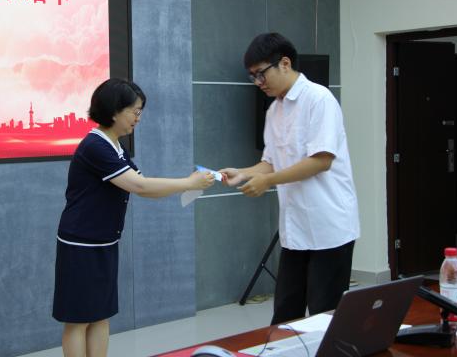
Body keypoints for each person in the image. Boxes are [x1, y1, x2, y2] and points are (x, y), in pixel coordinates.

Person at [52, 78, 215, 357]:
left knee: (100, 315)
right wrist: (188, 183)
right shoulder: (95, 146)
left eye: (140, 112)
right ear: (114, 110)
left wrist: (189, 184)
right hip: (81, 245)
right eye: (135, 111)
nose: (138, 118)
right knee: (78, 320)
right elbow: (139, 186)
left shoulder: (116, 147)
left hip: (104, 242)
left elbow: (144, 187)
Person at [220, 33, 360, 324]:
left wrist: (268, 181)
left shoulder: (318, 99)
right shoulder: (274, 110)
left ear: (284, 63)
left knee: (324, 315)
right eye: (253, 77)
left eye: (261, 74)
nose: (258, 82)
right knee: (285, 313)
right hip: (295, 229)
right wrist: (243, 173)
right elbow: (270, 162)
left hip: (329, 226)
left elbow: (321, 161)